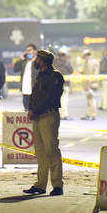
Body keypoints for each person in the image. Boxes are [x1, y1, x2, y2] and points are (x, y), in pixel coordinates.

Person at [24, 49, 64, 196]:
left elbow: (50, 98)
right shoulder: (40, 75)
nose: (36, 61)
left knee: (51, 150)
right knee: (40, 152)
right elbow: (35, 95)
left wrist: (35, 110)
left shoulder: (56, 76)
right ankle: (40, 185)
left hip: (48, 116)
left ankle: (57, 185)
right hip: (38, 117)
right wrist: (31, 109)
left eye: (38, 59)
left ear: (44, 61)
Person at [13, 44, 38, 111]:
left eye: (30, 50)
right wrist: (21, 59)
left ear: (34, 51)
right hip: (25, 87)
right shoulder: (24, 61)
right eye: (27, 51)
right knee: (26, 106)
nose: (28, 52)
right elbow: (15, 69)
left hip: (35, 87)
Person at [53, 47, 74, 120]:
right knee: (64, 100)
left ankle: (57, 115)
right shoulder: (66, 62)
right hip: (65, 84)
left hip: (56, 84)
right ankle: (64, 115)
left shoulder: (54, 62)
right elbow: (71, 70)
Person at [81, 50, 99, 120]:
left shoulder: (91, 62)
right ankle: (89, 114)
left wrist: (90, 84)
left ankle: (92, 115)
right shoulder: (88, 62)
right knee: (89, 100)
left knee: (91, 100)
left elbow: (95, 74)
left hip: (90, 84)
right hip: (88, 84)